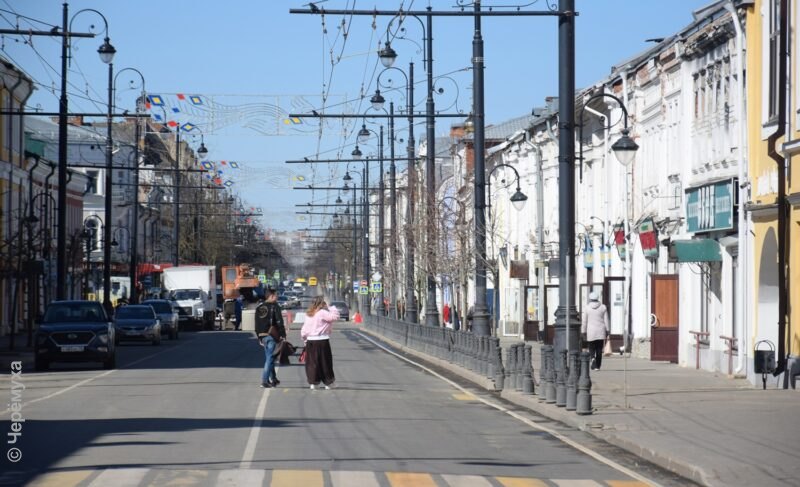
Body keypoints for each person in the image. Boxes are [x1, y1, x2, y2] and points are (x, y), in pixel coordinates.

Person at [300, 296, 340, 390]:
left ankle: (313, 383)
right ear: (322, 304)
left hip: (310, 340)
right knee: (325, 362)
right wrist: (330, 307)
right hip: (322, 340)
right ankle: (328, 383)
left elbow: (304, 329)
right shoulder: (322, 313)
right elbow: (335, 317)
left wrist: (305, 340)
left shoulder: (309, 314)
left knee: (312, 363)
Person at [255, 289, 285, 388]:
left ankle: (273, 379)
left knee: (269, 357)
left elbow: (256, 324)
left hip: (262, 336)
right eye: (276, 295)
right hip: (272, 335)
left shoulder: (259, 307)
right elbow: (279, 321)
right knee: (270, 358)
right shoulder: (275, 307)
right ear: (271, 296)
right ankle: (264, 381)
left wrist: (259, 337)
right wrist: (283, 334)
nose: (277, 297)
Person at [581, 291, 610, 371]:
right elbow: (606, 320)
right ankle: (597, 366)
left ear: (590, 299)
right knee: (599, 349)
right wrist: (608, 330)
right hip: (600, 330)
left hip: (591, 331)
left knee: (591, 347)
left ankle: (592, 358)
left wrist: (583, 331)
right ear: (598, 298)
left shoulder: (587, 308)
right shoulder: (603, 307)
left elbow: (584, 321)